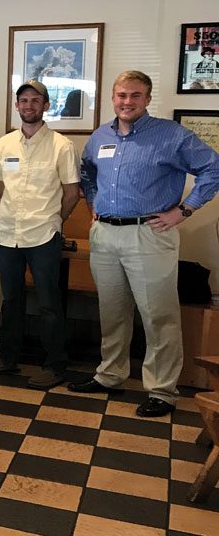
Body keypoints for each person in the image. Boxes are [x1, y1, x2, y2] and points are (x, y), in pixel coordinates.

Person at [70, 70, 219, 417]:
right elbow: (87, 173)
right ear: (112, 97)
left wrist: (183, 211)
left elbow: (213, 168)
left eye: (135, 95)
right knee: (112, 311)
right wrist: (94, 205)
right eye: (121, 95)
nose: (127, 101)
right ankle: (110, 375)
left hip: (149, 234)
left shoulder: (171, 136)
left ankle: (162, 390)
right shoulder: (100, 136)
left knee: (159, 316)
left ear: (148, 99)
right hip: (106, 234)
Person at [0, 81, 80, 389]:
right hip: (8, 234)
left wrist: (53, 221)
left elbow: (72, 193)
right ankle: (7, 358)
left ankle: (55, 364)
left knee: (49, 302)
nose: (29, 105)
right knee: (11, 299)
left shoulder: (62, 145)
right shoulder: (4, 143)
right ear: (17, 105)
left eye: (36, 100)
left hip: (43, 236)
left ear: (46, 106)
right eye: (24, 100)